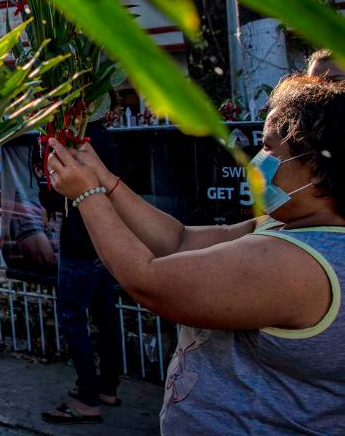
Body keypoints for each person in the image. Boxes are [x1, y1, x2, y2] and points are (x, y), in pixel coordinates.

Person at [46, 74, 345, 433]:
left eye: (269, 148)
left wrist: (86, 196)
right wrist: (106, 183)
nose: (259, 160)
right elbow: (179, 240)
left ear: (314, 164)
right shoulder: (285, 226)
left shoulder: (302, 263)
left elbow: (149, 281)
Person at [41, 121, 123, 425]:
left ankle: (87, 397)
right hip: (105, 239)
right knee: (105, 313)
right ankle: (107, 387)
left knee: (73, 318)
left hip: (80, 238)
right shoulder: (105, 137)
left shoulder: (75, 139)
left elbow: (56, 190)